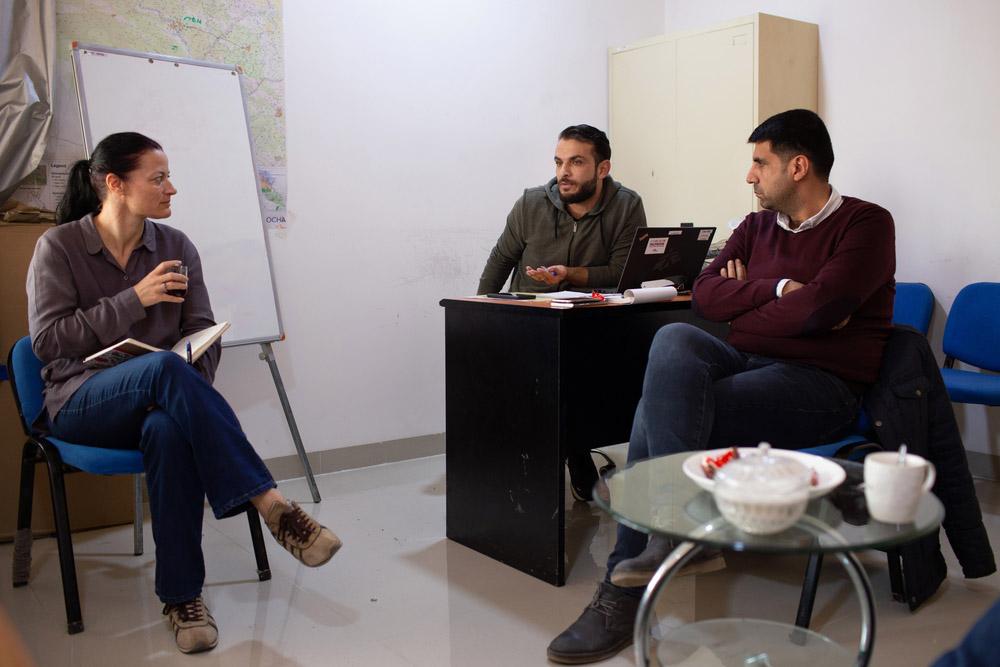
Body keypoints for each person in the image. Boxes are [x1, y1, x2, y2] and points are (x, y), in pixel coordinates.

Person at [547, 109, 896, 664]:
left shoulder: (866, 224)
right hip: (747, 359)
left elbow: (826, 306)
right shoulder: (756, 227)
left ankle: (624, 589)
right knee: (678, 339)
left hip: (820, 384)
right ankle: (673, 532)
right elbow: (706, 295)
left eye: (760, 162)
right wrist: (780, 289)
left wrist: (761, 303)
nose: (750, 176)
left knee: (654, 412)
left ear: (798, 165)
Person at [27, 132, 342, 654]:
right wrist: (134, 299)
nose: (171, 188)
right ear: (115, 184)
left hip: (160, 399)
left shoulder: (176, 246)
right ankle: (270, 502)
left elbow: (200, 331)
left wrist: (185, 372)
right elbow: (46, 343)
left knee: (168, 426)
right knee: (164, 371)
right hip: (80, 401)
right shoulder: (58, 247)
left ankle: (183, 599)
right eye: (158, 178)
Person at [477, 124, 647, 500]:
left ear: (602, 169)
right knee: (541, 377)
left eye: (576, 162)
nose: (563, 172)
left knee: (585, 377)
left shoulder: (626, 205)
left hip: (592, 322)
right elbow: (501, 259)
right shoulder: (531, 203)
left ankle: (579, 454)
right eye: (558, 162)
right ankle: (570, 459)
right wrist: (481, 313)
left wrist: (573, 274)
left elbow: (623, 272)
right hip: (532, 322)